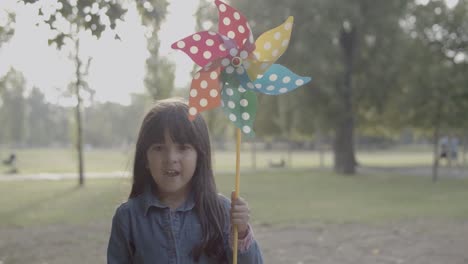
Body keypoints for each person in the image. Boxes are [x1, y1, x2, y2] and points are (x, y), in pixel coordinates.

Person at [107, 98, 263, 263]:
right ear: (145, 158)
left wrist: (242, 232)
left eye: (182, 148)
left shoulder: (222, 212)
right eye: (159, 148)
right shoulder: (128, 217)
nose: (170, 158)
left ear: (200, 156)